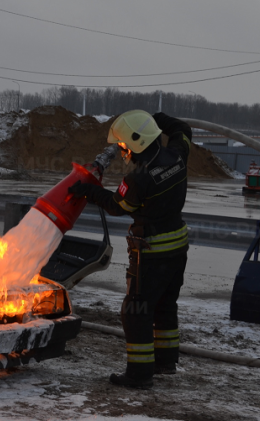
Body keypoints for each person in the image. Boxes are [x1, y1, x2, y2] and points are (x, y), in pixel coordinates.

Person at [68, 109, 192, 389]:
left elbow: (118, 206)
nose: (123, 151)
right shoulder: (177, 154)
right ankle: (166, 362)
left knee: (136, 310)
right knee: (165, 304)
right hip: (178, 248)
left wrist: (88, 191)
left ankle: (139, 374)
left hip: (151, 253)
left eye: (124, 146)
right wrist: (158, 118)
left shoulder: (138, 179)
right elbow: (183, 129)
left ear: (137, 143)